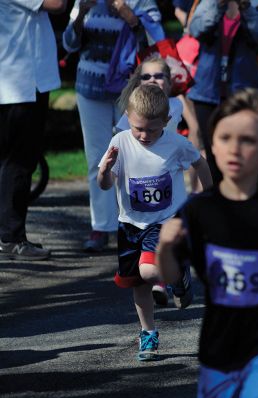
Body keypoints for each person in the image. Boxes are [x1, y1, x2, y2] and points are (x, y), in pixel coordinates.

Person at [157, 88, 258, 398]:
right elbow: (170, 276)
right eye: (225, 138)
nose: (235, 149)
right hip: (218, 348)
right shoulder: (199, 210)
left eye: (248, 140)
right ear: (212, 146)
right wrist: (165, 247)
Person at [98, 85, 212, 361]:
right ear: (128, 116)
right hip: (129, 225)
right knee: (139, 284)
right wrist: (104, 169)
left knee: (149, 272)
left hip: (163, 221)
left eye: (151, 129)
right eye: (138, 128)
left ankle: (175, 269)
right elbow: (103, 186)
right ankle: (148, 333)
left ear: (166, 122)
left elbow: (200, 162)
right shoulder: (121, 142)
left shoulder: (175, 144)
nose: (144, 135)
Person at [62, 0, 165, 252]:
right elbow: (68, 43)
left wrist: (129, 16)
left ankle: (138, 225)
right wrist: (81, 13)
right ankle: (101, 227)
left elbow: (156, 40)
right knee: (97, 158)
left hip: (130, 92)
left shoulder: (141, 1)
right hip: (89, 88)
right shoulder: (85, 1)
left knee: (135, 157)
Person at [117, 56, 202, 306]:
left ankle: (162, 280)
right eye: (146, 77)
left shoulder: (177, 103)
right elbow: (123, 139)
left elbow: (195, 131)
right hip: (143, 187)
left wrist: (190, 158)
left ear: (169, 80)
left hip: (172, 174)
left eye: (158, 76)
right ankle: (175, 277)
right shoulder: (135, 113)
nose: (152, 80)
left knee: (162, 237)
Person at [0, 0, 68, 261]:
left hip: (25, 81)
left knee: (15, 161)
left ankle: (9, 233)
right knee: (18, 162)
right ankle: (11, 237)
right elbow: (57, 3)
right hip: (20, 84)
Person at [187, 0, 258, 184]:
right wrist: (218, 5)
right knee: (213, 154)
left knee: (244, 152)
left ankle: (242, 199)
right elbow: (195, 29)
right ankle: (218, 203)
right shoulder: (209, 2)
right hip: (207, 93)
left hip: (243, 94)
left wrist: (246, 8)